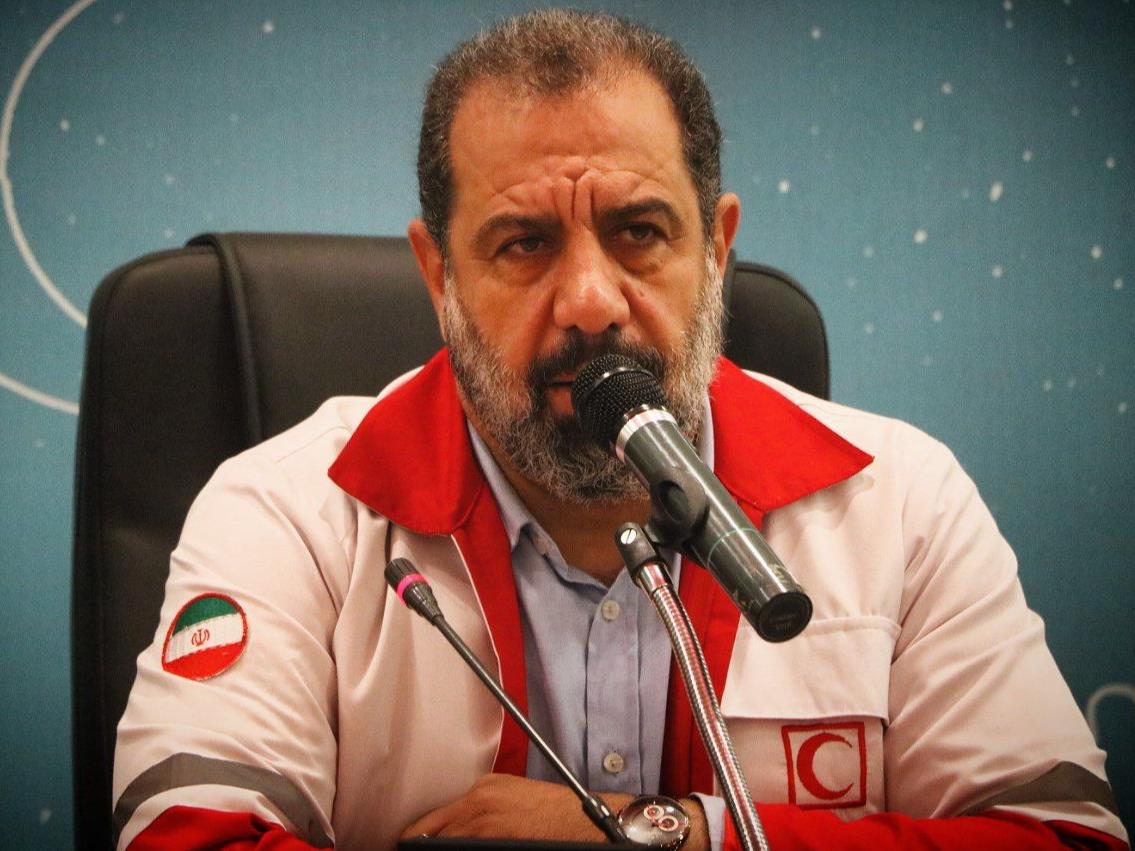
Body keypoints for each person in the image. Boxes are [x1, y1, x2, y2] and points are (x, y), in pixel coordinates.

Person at [112, 9, 1127, 850]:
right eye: (524, 243)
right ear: (438, 274)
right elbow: (188, 837)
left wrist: (672, 833)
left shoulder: (898, 498)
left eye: (638, 232)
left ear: (716, 249)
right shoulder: (287, 508)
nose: (591, 303)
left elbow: (1062, 836)